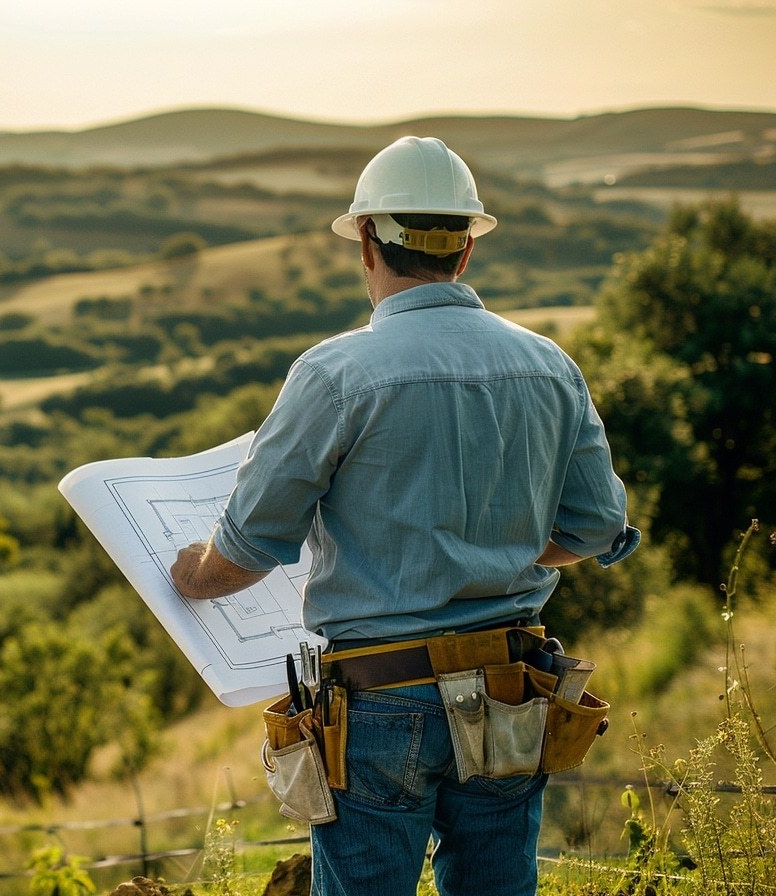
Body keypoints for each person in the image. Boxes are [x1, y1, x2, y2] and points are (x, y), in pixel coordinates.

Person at [169, 136, 639, 896]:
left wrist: (188, 571)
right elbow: (592, 529)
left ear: (366, 239)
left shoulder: (335, 373)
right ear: (465, 249)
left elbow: (248, 547)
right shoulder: (550, 365)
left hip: (378, 703)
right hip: (513, 686)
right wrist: (503, 548)